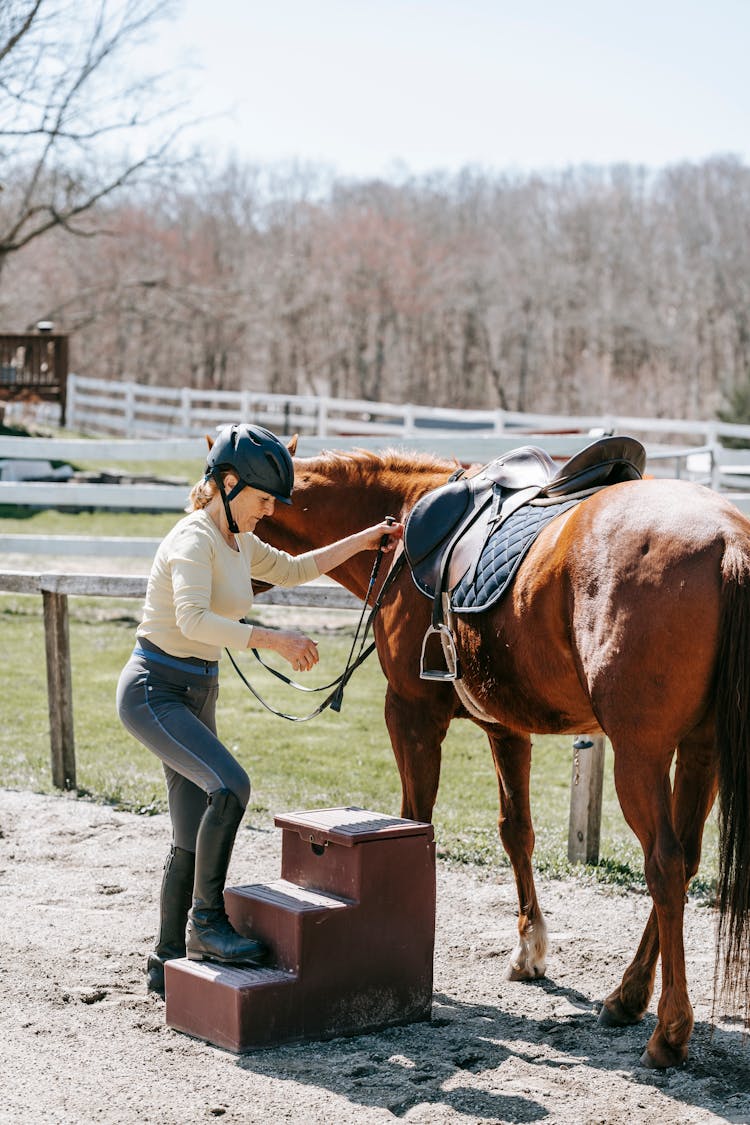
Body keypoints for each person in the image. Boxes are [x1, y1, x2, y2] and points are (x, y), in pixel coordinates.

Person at [116, 423, 403, 996]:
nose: (269, 511)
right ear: (226, 484)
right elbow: (195, 621)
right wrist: (276, 640)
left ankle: (165, 962)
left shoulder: (237, 540)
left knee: (188, 830)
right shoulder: (193, 540)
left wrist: (367, 537)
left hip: (198, 690)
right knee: (230, 787)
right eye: (263, 498)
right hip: (156, 690)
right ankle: (208, 925)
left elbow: (296, 569)